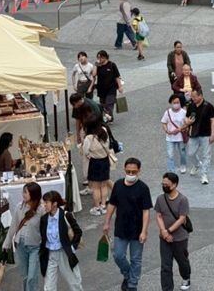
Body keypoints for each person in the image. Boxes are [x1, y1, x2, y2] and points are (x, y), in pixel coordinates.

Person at [104, 157, 152, 291]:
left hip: (137, 230)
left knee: (136, 259)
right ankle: (128, 274)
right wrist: (107, 222)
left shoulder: (143, 188)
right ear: (124, 169)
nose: (131, 174)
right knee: (118, 255)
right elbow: (112, 204)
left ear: (139, 171)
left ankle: (132, 285)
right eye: (128, 171)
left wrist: (144, 231)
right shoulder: (118, 185)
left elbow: (146, 211)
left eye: (134, 172)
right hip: (121, 227)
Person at [155, 172, 192, 291]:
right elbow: (159, 215)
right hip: (164, 238)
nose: (164, 186)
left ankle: (186, 277)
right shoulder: (160, 198)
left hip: (180, 237)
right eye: (163, 184)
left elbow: (182, 219)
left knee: (182, 261)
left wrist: (168, 231)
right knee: (165, 265)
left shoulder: (182, 200)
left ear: (174, 184)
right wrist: (163, 232)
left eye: (167, 184)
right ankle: (167, 288)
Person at [3, 182, 43, 291]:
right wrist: (6, 243)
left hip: (35, 247)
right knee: (25, 276)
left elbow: (45, 229)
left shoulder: (41, 210)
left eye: (26, 192)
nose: (23, 194)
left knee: (32, 277)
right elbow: (13, 226)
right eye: (23, 192)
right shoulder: (19, 207)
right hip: (20, 245)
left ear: (34, 194)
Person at [39, 191, 82, 291]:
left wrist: (72, 248)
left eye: (46, 202)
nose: (44, 205)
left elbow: (78, 232)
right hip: (50, 254)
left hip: (64, 253)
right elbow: (43, 236)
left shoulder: (65, 216)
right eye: (43, 202)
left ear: (55, 203)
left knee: (74, 283)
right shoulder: (44, 219)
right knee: (49, 287)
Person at [82, 117, 114, 215]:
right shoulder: (104, 131)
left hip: (95, 162)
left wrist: (89, 154)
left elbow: (85, 151)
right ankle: (104, 206)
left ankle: (97, 207)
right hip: (105, 161)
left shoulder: (89, 138)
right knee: (104, 185)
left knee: (95, 187)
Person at [185, 88, 214, 185]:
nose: (192, 98)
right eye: (192, 96)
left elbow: (213, 120)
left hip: (206, 134)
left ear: (200, 96)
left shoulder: (209, 106)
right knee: (190, 153)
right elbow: (186, 117)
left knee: (206, 155)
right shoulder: (191, 106)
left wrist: (213, 133)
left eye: (194, 96)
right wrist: (187, 122)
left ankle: (204, 175)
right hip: (193, 133)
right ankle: (197, 164)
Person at [162, 93, 188, 174]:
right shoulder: (167, 112)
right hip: (170, 137)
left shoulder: (184, 112)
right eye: (174, 102)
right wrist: (167, 130)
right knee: (170, 154)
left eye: (178, 102)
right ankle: (171, 169)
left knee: (182, 153)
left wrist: (179, 129)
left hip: (180, 137)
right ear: (171, 103)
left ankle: (183, 165)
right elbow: (164, 122)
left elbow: (187, 124)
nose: (176, 104)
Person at [94, 50, 123, 122]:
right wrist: (96, 65)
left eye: (101, 58)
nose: (99, 59)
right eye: (98, 58)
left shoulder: (112, 65)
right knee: (103, 105)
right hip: (101, 88)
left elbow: (117, 76)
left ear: (105, 57)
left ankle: (108, 118)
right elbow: (94, 74)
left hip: (111, 88)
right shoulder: (98, 66)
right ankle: (109, 117)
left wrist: (120, 86)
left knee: (109, 103)